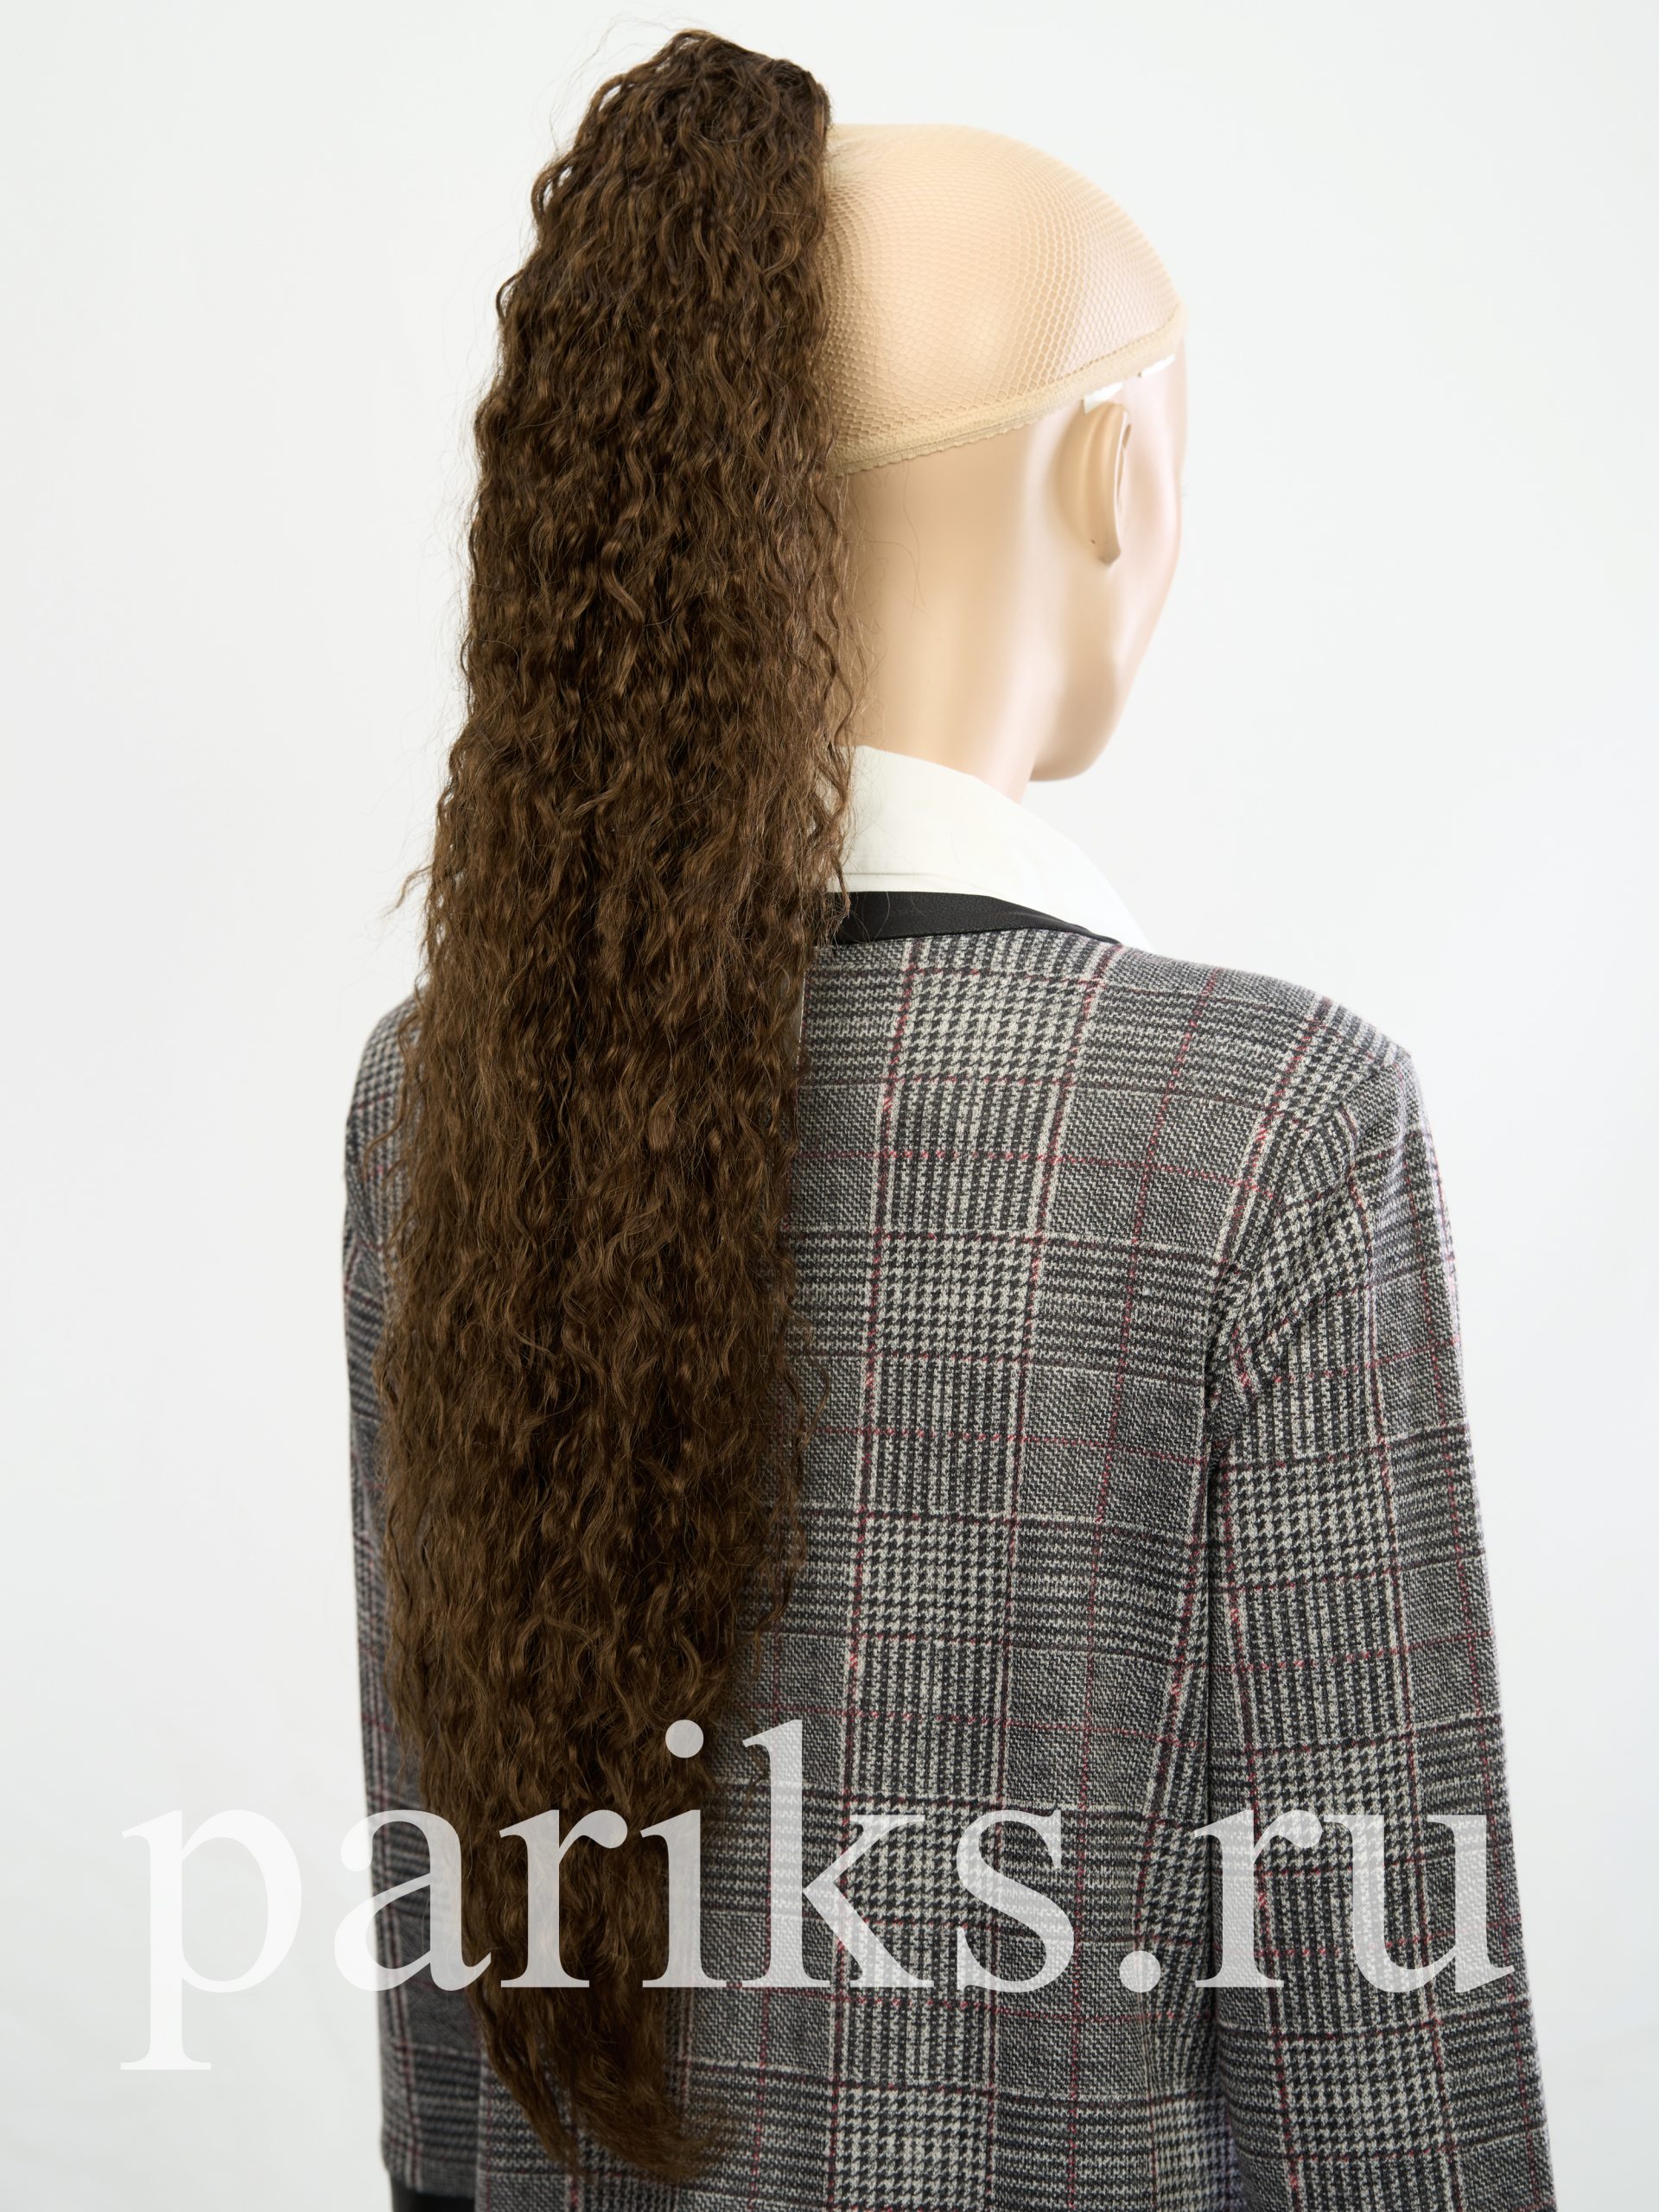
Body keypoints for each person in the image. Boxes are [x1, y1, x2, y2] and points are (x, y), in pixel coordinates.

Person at [342, 29, 1554, 2209]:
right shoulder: (1268, 1125)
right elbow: (1388, 2063)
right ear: (1110, 479)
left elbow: (461, 1976)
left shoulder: (443, 1087)